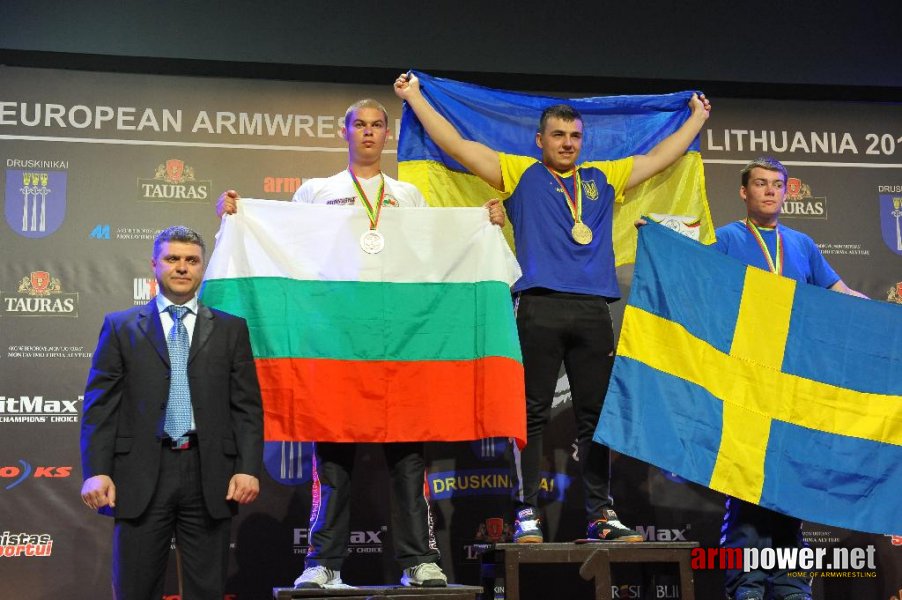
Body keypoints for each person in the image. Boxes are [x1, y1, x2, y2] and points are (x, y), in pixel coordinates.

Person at [394, 72, 711, 543]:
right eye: (558, 135)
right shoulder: (521, 172)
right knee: (532, 414)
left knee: (596, 418)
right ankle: (526, 512)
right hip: (538, 307)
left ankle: (601, 514)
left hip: (593, 313)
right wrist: (415, 96)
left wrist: (697, 119)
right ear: (539, 139)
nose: (567, 143)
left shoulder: (605, 177)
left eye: (575, 136)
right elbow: (458, 146)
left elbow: (661, 157)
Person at [217, 98, 504, 589]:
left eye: (377, 126)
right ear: (344, 132)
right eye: (360, 125)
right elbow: (290, 255)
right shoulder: (316, 191)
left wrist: (483, 224)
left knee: (409, 463)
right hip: (336, 345)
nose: (368, 133)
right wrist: (240, 216)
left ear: (387, 135)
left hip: (400, 347)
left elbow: (431, 258)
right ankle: (323, 563)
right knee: (332, 463)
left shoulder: (408, 195)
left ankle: (419, 561)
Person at [80, 226, 264, 600]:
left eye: (191, 260)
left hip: (210, 473)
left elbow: (246, 407)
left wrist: (247, 467)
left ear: (202, 267)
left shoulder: (231, 329)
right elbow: (100, 407)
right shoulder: (121, 326)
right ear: (154, 265)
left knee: (207, 589)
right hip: (141, 473)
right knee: (135, 587)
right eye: (172, 259)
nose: (182, 267)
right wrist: (96, 471)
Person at [712, 157, 865, 600]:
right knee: (746, 485)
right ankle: (747, 584)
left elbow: (840, 295)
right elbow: (695, 281)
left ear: (786, 192)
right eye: (760, 184)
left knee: (789, 483)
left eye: (777, 185)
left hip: (792, 384)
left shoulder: (801, 244)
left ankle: (790, 584)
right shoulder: (725, 239)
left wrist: (881, 312)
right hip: (744, 381)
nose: (769, 191)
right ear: (744, 192)